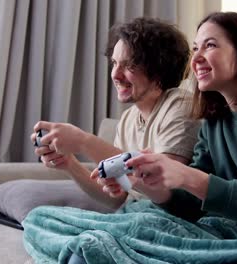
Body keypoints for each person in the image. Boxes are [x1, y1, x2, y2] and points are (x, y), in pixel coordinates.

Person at [23, 12, 237, 263]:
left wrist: (189, 176)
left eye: (211, 45)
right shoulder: (215, 118)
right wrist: (154, 188)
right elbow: (189, 208)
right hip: (236, 238)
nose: (197, 57)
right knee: (40, 220)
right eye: (196, 47)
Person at [31, 17, 200, 210]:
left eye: (130, 66)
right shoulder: (128, 120)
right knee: (40, 217)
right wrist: (69, 163)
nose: (115, 75)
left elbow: (162, 183)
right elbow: (118, 198)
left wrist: (83, 141)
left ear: (159, 69)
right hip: (135, 214)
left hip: (169, 217)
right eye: (114, 63)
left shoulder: (181, 105)